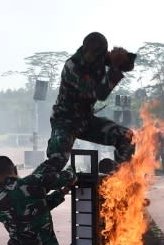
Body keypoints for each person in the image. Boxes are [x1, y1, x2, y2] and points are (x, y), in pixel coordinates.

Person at [46, 32, 136, 171]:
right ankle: (28, 188)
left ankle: (120, 181)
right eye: (91, 55)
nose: (93, 59)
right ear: (84, 49)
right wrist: (114, 66)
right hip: (65, 121)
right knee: (57, 161)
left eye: (98, 56)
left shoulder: (99, 57)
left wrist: (123, 56)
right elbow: (100, 93)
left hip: (86, 121)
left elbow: (128, 66)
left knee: (126, 137)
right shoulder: (73, 67)